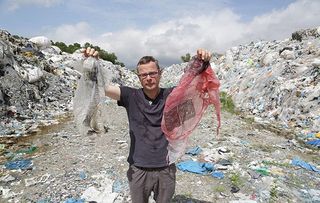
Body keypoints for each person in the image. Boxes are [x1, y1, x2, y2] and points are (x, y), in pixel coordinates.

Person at [82, 47, 212, 203]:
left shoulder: (172, 95)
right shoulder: (130, 96)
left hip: (166, 168)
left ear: (160, 73)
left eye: (152, 73)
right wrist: (91, 65)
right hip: (138, 169)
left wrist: (201, 61)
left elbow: (193, 84)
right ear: (139, 77)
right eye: (144, 75)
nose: (149, 78)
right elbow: (103, 88)